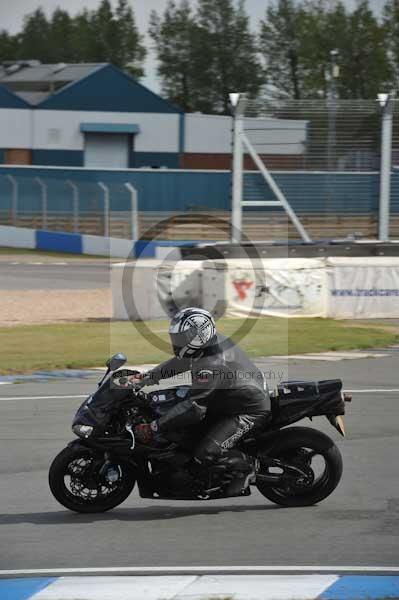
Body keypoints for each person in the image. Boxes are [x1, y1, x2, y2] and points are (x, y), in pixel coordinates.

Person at [133, 307, 271, 494]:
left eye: (181, 338)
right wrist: (147, 378)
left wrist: (154, 427)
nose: (176, 342)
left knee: (205, 452)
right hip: (227, 399)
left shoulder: (212, 365)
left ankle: (247, 468)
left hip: (248, 410)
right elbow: (180, 362)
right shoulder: (204, 346)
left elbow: (195, 407)